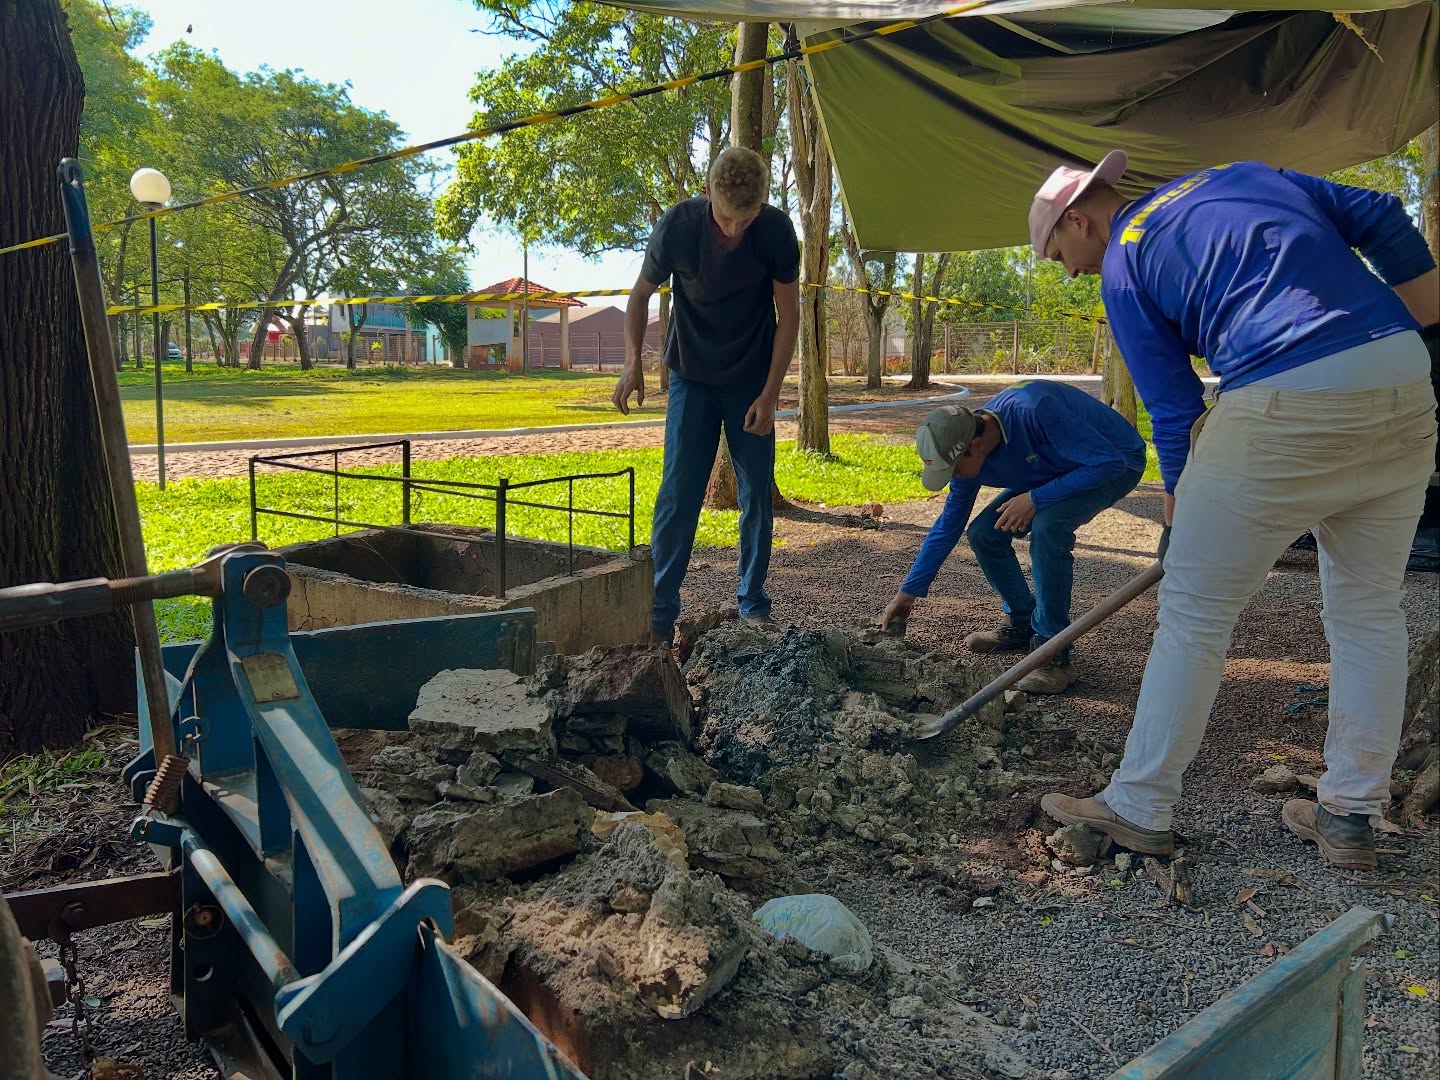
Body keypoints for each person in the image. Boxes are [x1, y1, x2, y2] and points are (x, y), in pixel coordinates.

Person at [1029, 150, 1439, 869]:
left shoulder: (1125, 257)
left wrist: (1179, 506)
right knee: (1370, 608)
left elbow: (1174, 404)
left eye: (1060, 253)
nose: (1069, 271)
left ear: (1078, 219)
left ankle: (1139, 803)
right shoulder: (1243, 175)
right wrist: (1425, 326)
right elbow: (1378, 215)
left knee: (1194, 610)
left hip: (1284, 395)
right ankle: (1349, 815)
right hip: (1404, 377)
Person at [612, 146, 800, 644]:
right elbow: (638, 297)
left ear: (761, 204)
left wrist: (772, 392)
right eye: (726, 218)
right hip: (691, 378)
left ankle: (753, 605)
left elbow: (790, 318)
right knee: (678, 494)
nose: (736, 230)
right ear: (709, 196)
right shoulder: (678, 225)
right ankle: (658, 615)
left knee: (756, 493)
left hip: (751, 382)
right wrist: (634, 363)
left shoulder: (777, 232)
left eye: (748, 218)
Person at [879, 382, 1146, 694]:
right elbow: (949, 525)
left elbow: (1107, 462)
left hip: (1115, 461)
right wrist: (907, 594)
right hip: (1058, 467)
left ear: (973, 447)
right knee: (983, 533)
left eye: (953, 470)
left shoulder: (1035, 410)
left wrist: (1036, 499)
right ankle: (1022, 622)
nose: (954, 478)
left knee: (1048, 528)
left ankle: (1052, 653)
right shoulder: (968, 458)